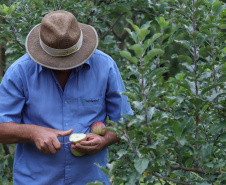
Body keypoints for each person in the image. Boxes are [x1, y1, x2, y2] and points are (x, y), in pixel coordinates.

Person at [0, 10, 133, 185]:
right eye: (56, 60)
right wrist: (33, 132)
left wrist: (104, 139)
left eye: (71, 59)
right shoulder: (20, 72)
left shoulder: (104, 67)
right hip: (34, 180)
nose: (64, 67)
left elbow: (126, 121)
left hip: (90, 180)